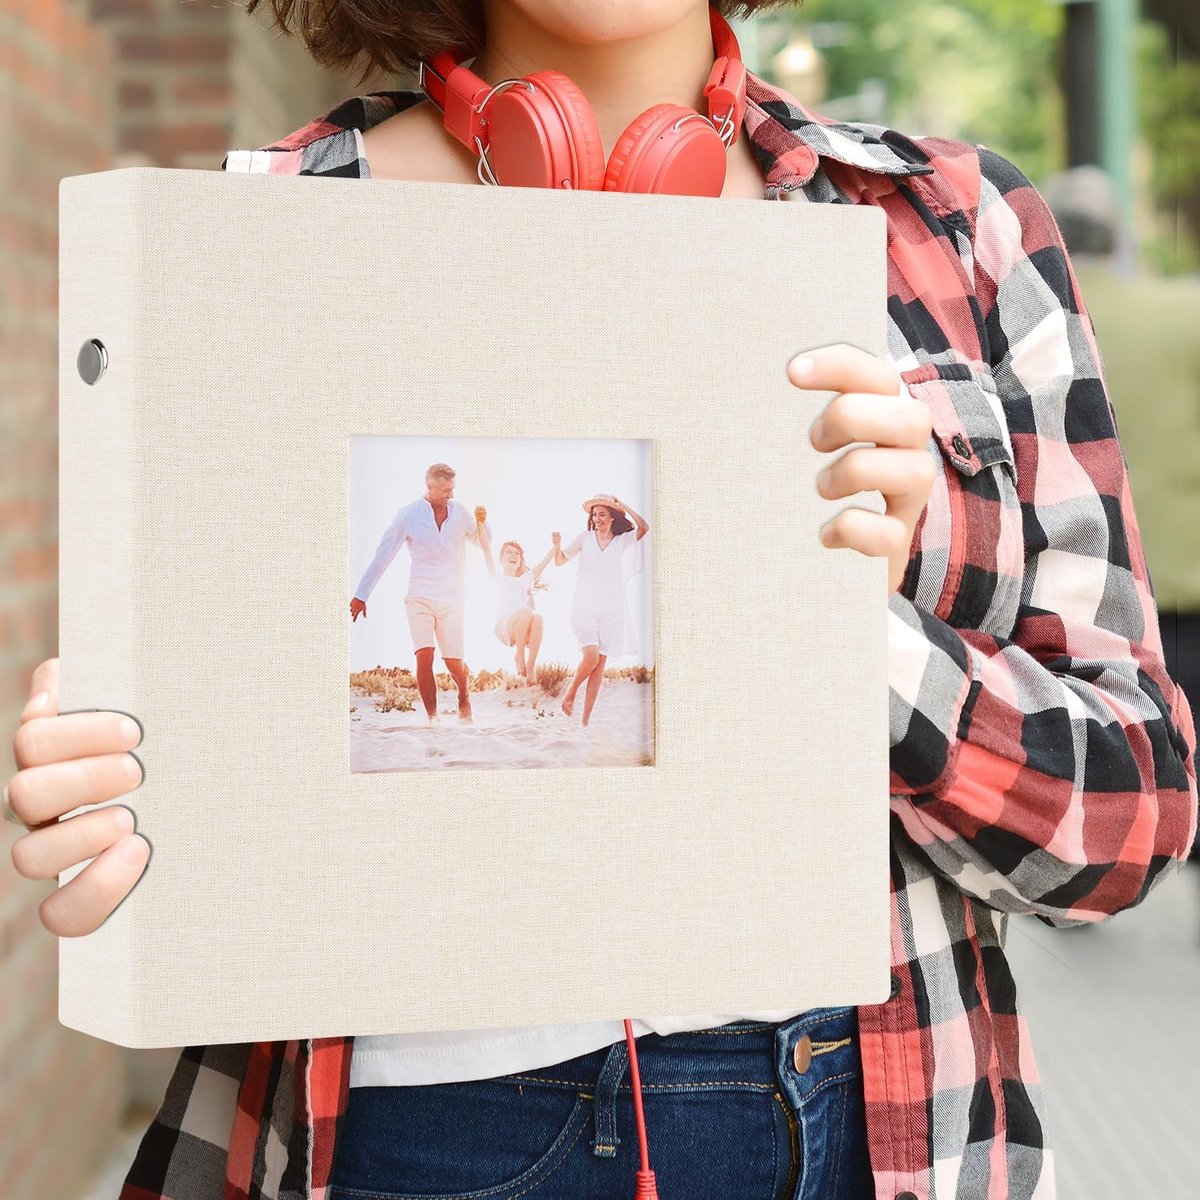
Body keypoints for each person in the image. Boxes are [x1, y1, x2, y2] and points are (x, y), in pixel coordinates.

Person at [4, 2, 1197, 1197]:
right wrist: (133, 799)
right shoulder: (242, 241)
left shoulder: (954, 225)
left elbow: (1131, 823)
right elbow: (218, 750)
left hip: (872, 1114)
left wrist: (845, 627)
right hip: (402, 1134)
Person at [1042, 164, 1200, 861]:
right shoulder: (1179, 317)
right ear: (1121, 235)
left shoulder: (1033, 317)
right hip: (1181, 571)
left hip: (1068, 578)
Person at [349, 461, 492, 721]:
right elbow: (384, 554)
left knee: (453, 664)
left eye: (453, 489)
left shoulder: (460, 512)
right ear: (430, 486)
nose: (451, 494)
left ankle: (464, 693)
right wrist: (361, 594)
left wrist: (484, 523)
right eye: (446, 489)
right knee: (424, 657)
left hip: (453, 600)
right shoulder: (408, 515)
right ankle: (434, 720)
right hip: (419, 597)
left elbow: (483, 544)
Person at [553, 494, 650, 725]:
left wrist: (622, 505)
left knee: (599, 667)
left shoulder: (621, 541)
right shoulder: (584, 538)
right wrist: (556, 546)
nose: (597, 519)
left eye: (602, 514)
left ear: (613, 517)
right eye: (594, 515)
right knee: (591, 656)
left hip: (611, 611)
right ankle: (571, 693)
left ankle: (585, 721)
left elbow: (644, 527)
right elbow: (559, 561)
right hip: (583, 605)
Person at [478, 527, 555, 684]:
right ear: (501, 559)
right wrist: (480, 522)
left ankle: (531, 667)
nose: (513, 555)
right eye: (509, 552)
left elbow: (544, 563)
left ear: (520, 561)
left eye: (516, 553)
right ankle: (520, 656)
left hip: (521, 628)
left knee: (538, 617)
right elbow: (486, 549)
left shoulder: (525, 579)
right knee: (526, 611)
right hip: (504, 627)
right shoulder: (497, 577)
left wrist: (556, 545)